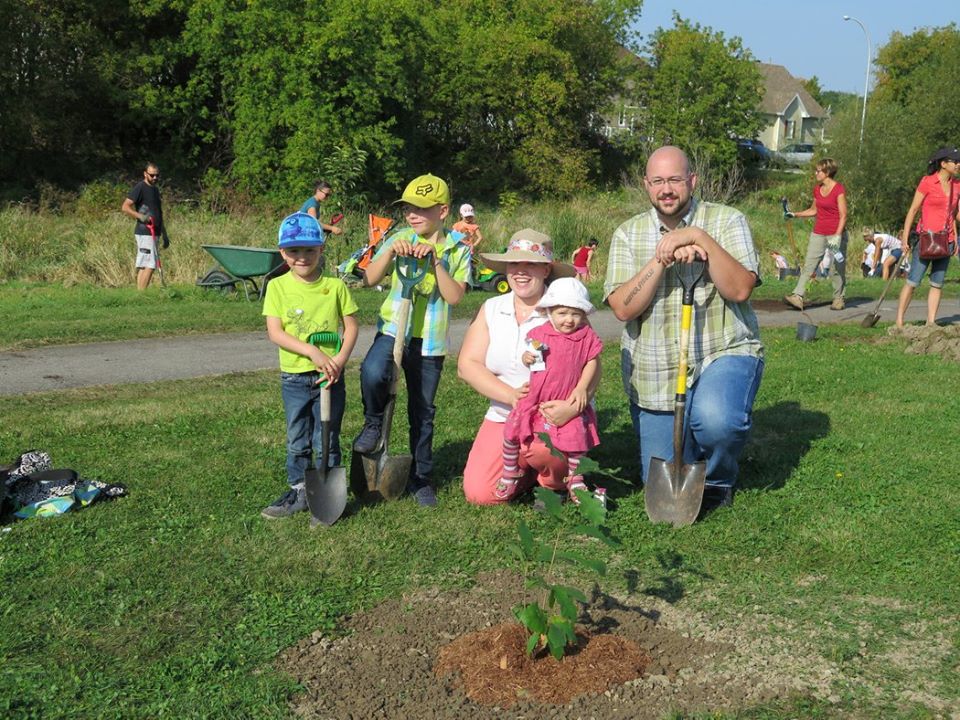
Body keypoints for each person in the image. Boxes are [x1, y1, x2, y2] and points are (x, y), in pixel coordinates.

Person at [604, 145, 763, 509]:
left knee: (717, 421)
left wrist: (700, 239)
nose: (667, 189)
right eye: (657, 181)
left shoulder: (727, 220)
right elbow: (622, 309)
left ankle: (719, 480)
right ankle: (694, 458)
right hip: (656, 367)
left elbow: (740, 289)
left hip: (723, 350)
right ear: (646, 184)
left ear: (692, 180)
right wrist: (661, 258)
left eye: (675, 179)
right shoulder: (628, 234)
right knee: (655, 472)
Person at [352, 174, 472, 507]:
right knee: (374, 371)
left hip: (429, 341)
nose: (412, 215)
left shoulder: (458, 248)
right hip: (393, 329)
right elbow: (369, 278)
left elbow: (454, 296)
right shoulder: (399, 237)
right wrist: (390, 251)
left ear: (443, 211)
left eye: (421, 209)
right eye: (408, 208)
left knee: (423, 410)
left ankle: (421, 478)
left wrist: (436, 262)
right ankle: (374, 425)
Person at [457, 229, 586, 506]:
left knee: (544, 449)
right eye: (515, 264)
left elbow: (591, 357)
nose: (521, 272)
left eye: (531, 264)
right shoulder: (492, 307)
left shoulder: (565, 309)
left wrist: (574, 406)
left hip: (553, 414)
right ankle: (524, 473)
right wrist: (512, 396)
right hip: (505, 414)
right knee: (480, 494)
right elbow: (467, 364)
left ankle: (554, 482)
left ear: (546, 269)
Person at [260, 212, 359, 519]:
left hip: (331, 377)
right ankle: (301, 490)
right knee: (297, 436)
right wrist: (313, 352)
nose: (301, 257)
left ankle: (328, 494)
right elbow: (276, 332)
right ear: (282, 252)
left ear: (321, 249)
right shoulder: (277, 287)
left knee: (326, 435)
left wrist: (339, 360)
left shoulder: (336, 287)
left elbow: (352, 327)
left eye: (309, 250)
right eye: (294, 251)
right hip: (295, 377)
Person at [499, 278, 602, 504]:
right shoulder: (539, 333)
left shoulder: (585, 336)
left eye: (575, 314)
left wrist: (582, 387)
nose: (569, 320)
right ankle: (510, 471)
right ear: (549, 311)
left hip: (566, 398)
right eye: (562, 313)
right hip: (538, 397)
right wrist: (526, 358)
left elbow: (592, 362)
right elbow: (530, 358)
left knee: (576, 440)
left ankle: (575, 479)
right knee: (511, 431)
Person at [895, 146, 960, 327]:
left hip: (945, 240)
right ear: (943, 163)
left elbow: (954, 213)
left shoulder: (957, 185)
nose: (958, 164)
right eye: (955, 161)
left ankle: (930, 322)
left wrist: (955, 237)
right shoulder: (928, 182)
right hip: (926, 239)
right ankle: (899, 322)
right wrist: (905, 239)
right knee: (913, 281)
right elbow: (913, 210)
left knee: (937, 283)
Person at [783, 158, 848, 311]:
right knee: (809, 265)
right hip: (818, 232)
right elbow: (813, 210)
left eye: (818, 171)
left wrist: (837, 236)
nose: (816, 173)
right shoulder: (817, 189)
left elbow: (843, 215)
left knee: (836, 267)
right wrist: (794, 214)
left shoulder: (838, 189)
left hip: (835, 234)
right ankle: (798, 296)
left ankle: (838, 298)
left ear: (827, 172)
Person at [121, 162, 171, 291]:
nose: (155, 178)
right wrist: (142, 217)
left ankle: (140, 294)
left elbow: (159, 213)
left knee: (146, 265)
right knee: (150, 265)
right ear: (145, 174)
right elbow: (125, 207)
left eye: (157, 175)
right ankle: (142, 295)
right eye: (152, 175)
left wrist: (164, 234)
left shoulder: (155, 190)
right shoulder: (140, 187)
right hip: (145, 232)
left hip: (155, 232)